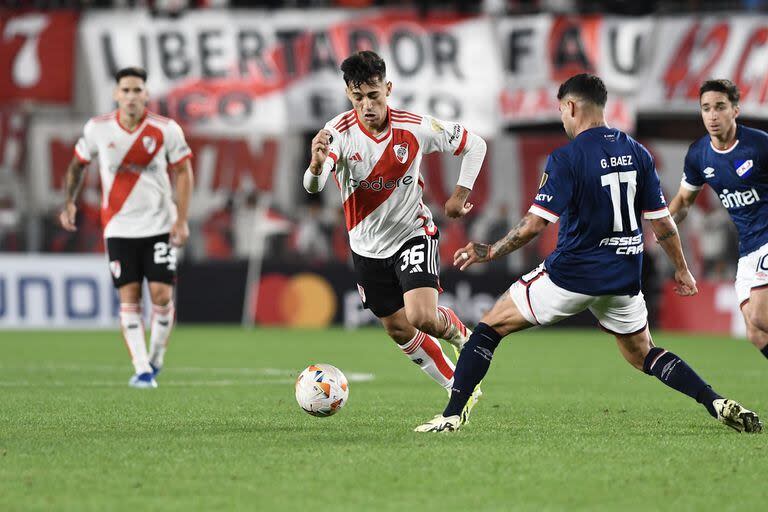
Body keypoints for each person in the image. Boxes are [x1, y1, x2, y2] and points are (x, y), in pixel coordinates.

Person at [415, 73, 762, 434]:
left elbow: (535, 225)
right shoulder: (638, 152)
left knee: (487, 329)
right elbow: (662, 224)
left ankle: (452, 414)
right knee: (645, 354)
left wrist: (490, 251)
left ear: (571, 106)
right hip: (625, 277)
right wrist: (682, 270)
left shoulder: (567, 157)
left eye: (562, 111)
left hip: (572, 276)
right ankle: (714, 400)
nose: (563, 119)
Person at [304, 51, 486, 421]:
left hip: (412, 233)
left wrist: (460, 194)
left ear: (388, 88)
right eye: (358, 98)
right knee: (397, 328)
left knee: (421, 315)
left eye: (374, 95)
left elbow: (474, 145)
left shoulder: (415, 127)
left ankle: (463, 337)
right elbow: (314, 185)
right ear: (348, 95)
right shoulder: (336, 132)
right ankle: (458, 387)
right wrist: (316, 165)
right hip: (366, 248)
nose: (367, 105)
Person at [59, 66, 193, 389]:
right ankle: (142, 367)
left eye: (137, 90)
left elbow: (184, 172)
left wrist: (182, 219)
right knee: (129, 298)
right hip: (118, 227)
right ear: (116, 94)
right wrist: (69, 201)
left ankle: (157, 357)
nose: (131, 96)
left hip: (159, 224)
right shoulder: (98, 129)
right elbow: (77, 165)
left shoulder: (166, 129)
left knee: (161, 296)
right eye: (126, 90)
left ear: (146, 94)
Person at [668, 79, 768, 359]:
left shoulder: (759, 145)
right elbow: (684, 202)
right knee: (755, 333)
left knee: (760, 316)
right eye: (706, 108)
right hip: (747, 247)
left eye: (720, 107)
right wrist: (661, 222)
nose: (712, 115)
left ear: (735, 110)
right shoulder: (699, 155)